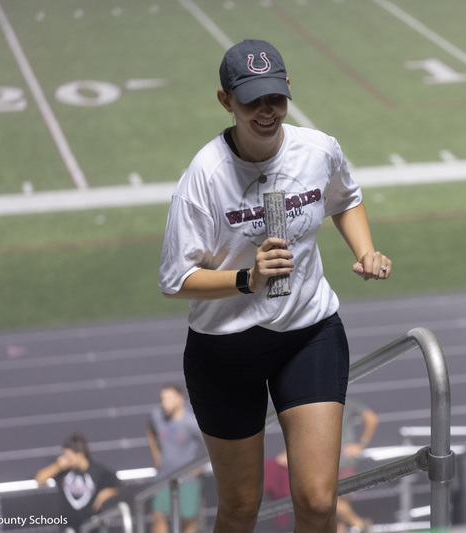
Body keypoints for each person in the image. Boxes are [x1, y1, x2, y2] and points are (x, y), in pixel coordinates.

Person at [158, 39, 392, 533]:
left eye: (275, 98)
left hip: (308, 332)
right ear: (226, 101)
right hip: (226, 349)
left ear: (288, 90)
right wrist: (248, 278)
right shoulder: (204, 178)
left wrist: (365, 251)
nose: (266, 112)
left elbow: (345, 199)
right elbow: (175, 280)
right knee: (241, 508)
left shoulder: (318, 149)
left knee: (317, 500)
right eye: (251, 101)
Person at [145, 383, 205, 533]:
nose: (165, 402)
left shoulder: (191, 422)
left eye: (169, 398)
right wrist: (156, 454)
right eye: (163, 399)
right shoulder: (157, 415)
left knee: (189, 520)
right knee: (158, 516)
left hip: (187, 480)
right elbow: (149, 429)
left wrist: (199, 466)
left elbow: (211, 443)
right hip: (164, 476)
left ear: (180, 399)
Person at [34, 433, 120, 532]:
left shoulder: (97, 470)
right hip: (68, 525)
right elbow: (39, 479)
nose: (65, 459)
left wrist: (102, 496)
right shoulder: (63, 471)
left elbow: (118, 483)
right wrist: (57, 466)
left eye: (68, 456)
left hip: (91, 524)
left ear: (80, 455)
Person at [336, 398, 379, 533]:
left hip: (341, 460)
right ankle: (359, 524)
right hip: (334, 459)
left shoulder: (346, 403)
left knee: (330, 500)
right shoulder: (345, 402)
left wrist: (361, 445)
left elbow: (372, 419)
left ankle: (359, 523)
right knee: (341, 504)